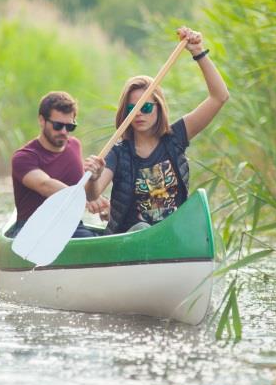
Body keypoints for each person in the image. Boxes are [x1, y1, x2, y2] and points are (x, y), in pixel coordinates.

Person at [84, 26, 229, 234]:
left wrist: (198, 52)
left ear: (159, 108)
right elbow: (93, 193)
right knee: (143, 227)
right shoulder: (118, 152)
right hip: (131, 237)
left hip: (171, 235)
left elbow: (220, 97)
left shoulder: (176, 137)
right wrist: (94, 177)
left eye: (146, 107)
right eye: (132, 109)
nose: (139, 114)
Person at [8, 91, 109, 238]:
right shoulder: (23, 157)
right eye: (58, 125)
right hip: (32, 230)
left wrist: (94, 181)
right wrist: (82, 200)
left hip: (70, 227)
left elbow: (86, 192)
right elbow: (45, 185)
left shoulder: (74, 146)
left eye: (69, 127)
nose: (63, 131)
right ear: (42, 120)